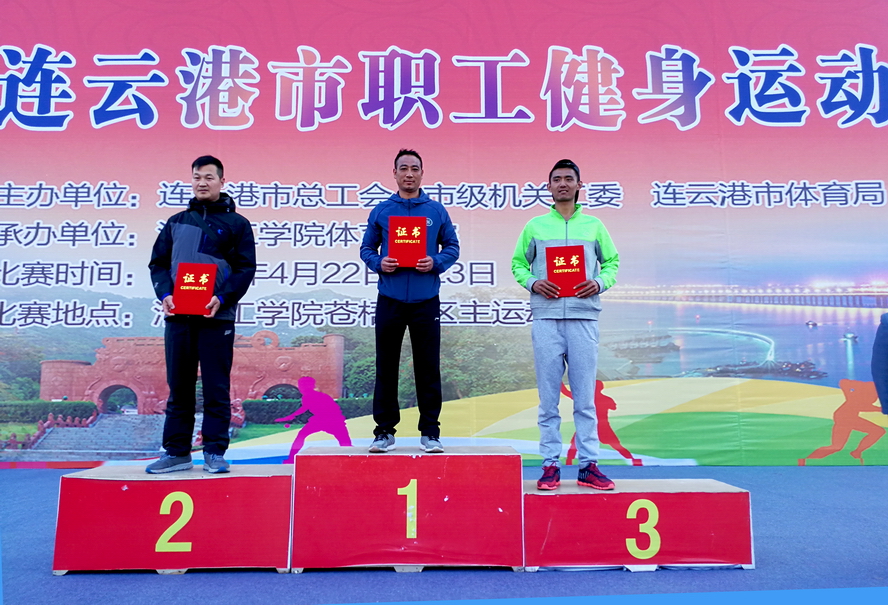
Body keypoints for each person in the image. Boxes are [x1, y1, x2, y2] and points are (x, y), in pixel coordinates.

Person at [511, 159, 620, 490]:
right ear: (548, 187)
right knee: (548, 399)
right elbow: (518, 264)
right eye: (556, 179)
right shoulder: (535, 226)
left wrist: (599, 283)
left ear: (578, 185)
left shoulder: (594, 226)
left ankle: (589, 465)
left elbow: (612, 262)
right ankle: (550, 464)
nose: (562, 184)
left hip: (583, 317)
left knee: (585, 398)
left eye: (568, 179)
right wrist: (533, 283)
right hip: (546, 317)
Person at [146, 155, 256, 474]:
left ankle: (214, 452)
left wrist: (222, 298)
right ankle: (177, 452)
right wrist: (165, 294)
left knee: (216, 388)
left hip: (216, 318)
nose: (202, 183)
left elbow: (245, 268)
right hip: (178, 317)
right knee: (179, 387)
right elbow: (158, 264)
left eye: (209, 177)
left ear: (222, 181)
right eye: (197, 177)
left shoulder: (238, 224)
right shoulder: (176, 222)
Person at [360, 149, 459, 453]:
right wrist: (379, 263)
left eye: (415, 169)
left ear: (422, 173)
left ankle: (430, 432)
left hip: (425, 299)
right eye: (403, 168)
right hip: (389, 298)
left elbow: (452, 247)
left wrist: (435, 262)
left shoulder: (436, 211)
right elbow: (366, 249)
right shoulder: (382, 211)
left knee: (427, 367)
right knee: (386, 366)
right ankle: (384, 432)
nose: (409, 174)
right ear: (394, 173)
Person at [274, 376, 353, 463]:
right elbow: (304, 408)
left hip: (331, 420)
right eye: (300, 385)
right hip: (323, 420)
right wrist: (290, 416)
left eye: (304, 385)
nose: (301, 387)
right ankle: (292, 458)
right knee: (301, 435)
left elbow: (304, 409)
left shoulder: (314, 396)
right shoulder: (310, 396)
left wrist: (289, 417)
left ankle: (350, 457)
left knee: (344, 441)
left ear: (312, 386)